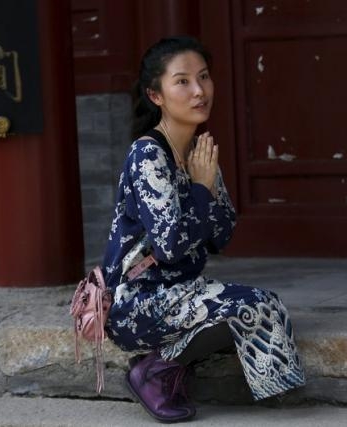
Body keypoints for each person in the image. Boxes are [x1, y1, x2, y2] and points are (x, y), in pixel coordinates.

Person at [101, 36, 305, 423]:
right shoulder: (147, 155)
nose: (199, 91)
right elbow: (169, 247)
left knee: (265, 301)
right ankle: (153, 371)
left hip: (181, 294)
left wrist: (206, 185)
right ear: (155, 94)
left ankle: (176, 364)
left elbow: (222, 236)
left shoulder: (198, 152)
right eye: (182, 81)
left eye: (205, 77)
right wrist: (198, 189)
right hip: (137, 301)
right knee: (252, 305)